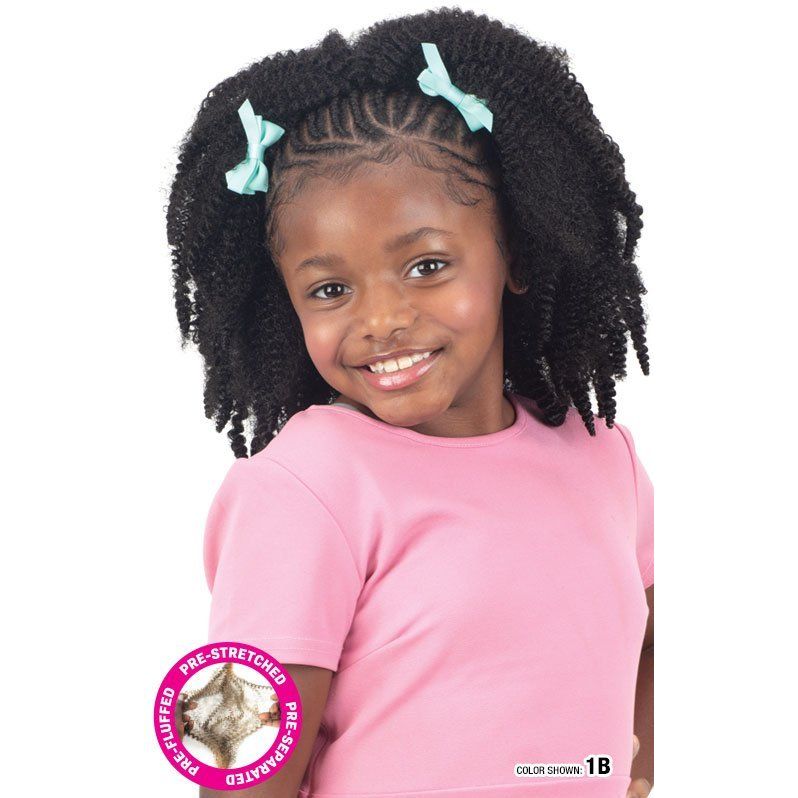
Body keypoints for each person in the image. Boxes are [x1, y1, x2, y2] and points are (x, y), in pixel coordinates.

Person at [166, 9, 654, 798]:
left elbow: (648, 645)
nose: (382, 319)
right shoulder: (303, 487)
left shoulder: (605, 458)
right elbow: (238, 769)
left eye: (427, 266)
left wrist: (621, 773)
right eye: (331, 289)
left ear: (516, 253)